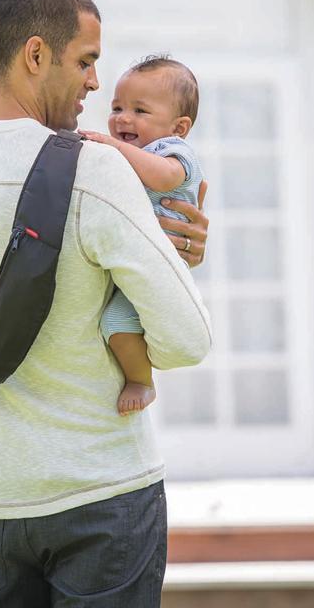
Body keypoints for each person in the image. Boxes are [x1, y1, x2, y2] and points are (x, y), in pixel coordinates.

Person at [0, 0, 211, 607]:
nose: (96, 83)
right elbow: (187, 341)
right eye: (85, 60)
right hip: (101, 495)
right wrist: (177, 258)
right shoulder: (95, 168)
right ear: (35, 54)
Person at [78, 55, 203, 416]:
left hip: (161, 263)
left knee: (116, 322)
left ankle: (141, 380)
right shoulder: (137, 154)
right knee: (116, 321)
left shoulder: (173, 152)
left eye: (140, 110)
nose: (123, 118)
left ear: (179, 127)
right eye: (117, 107)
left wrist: (116, 148)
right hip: (138, 258)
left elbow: (164, 178)